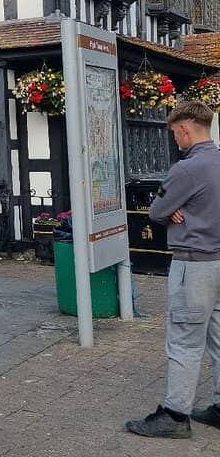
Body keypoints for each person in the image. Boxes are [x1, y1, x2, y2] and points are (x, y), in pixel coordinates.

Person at [125, 101, 220, 439]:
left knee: (184, 340)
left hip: (194, 263)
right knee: (219, 340)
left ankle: (175, 415)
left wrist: (172, 208)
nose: (176, 139)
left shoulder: (185, 169)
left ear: (185, 128)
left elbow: (156, 209)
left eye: (175, 133)